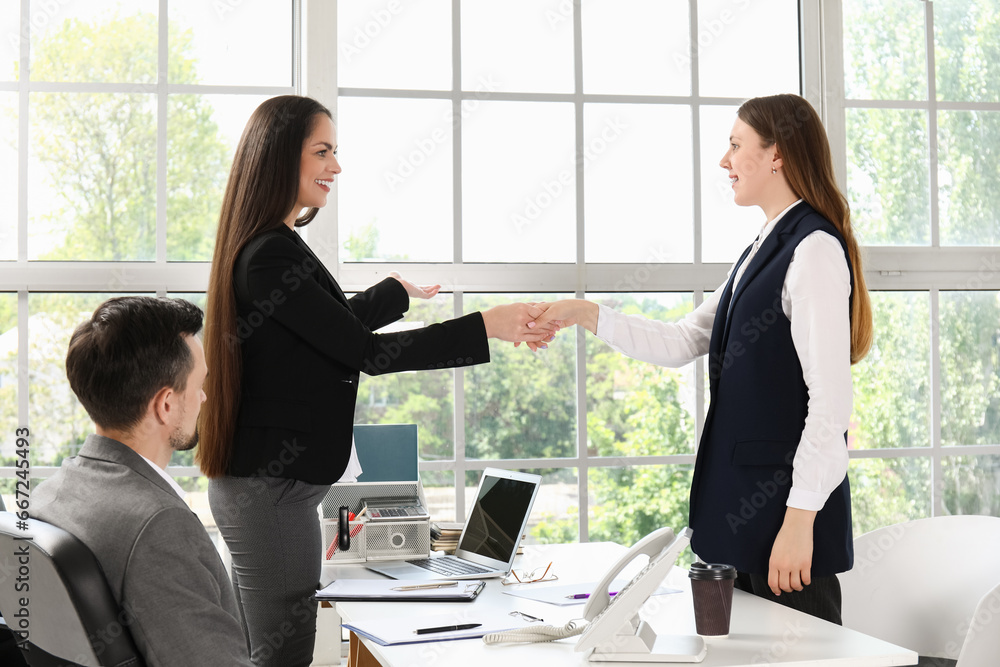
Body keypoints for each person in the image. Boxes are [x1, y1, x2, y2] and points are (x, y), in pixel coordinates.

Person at [199, 94, 554, 666]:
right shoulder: (268, 255)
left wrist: (393, 291)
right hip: (270, 493)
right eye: (322, 152)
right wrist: (484, 327)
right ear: (279, 157)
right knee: (282, 656)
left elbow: (329, 331)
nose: (335, 167)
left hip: (273, 490)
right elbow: (362, 352)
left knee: (274, 651)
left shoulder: (275, 246)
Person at [531, 94, 873, 625]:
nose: (724, 161)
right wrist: (585, 313)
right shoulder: (763, 248)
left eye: (736, 146)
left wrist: (800, 520)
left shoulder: (813, 250)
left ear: (776, 154)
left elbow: (831, 403)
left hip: (786, 532)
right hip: (745, 527)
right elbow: (683, 338)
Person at [33, 296, 252, 666]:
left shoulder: (51, 494)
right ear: (166, 404)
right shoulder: (158, 526)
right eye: (199, 385)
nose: (202, 397)